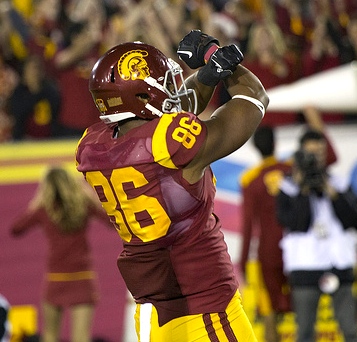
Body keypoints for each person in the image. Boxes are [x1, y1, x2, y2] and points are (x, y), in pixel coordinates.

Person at [76, 30, 269, 341]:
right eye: (164, 86)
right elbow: (255, 96)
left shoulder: (91, 147)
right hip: (202, 306)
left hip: (150, 310)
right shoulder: (170, 143)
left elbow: (171, 113)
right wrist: (215, 56)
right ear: (142, 97)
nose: (172, 92)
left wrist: (209, 74)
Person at [10, 167, 113, 342]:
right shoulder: (84, 205)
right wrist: (90, 196)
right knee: (81, 338)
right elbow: (111, 221)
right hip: (83, 278)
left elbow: (16, 229)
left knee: (50, 336)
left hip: (56, 279)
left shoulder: (44, 209)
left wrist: (36, 202)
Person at [276, 130, 357, 342]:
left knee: (351, 329)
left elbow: (352, 220)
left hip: (339, 264)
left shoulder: (337, 183)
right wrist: (303, 188)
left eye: (320, 153)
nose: (316, 159)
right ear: (301, 154)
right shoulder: (287, 187)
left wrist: (329, 190)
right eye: (311, 154)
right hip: (305, 267)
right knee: (304, 333)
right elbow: (297, 224)